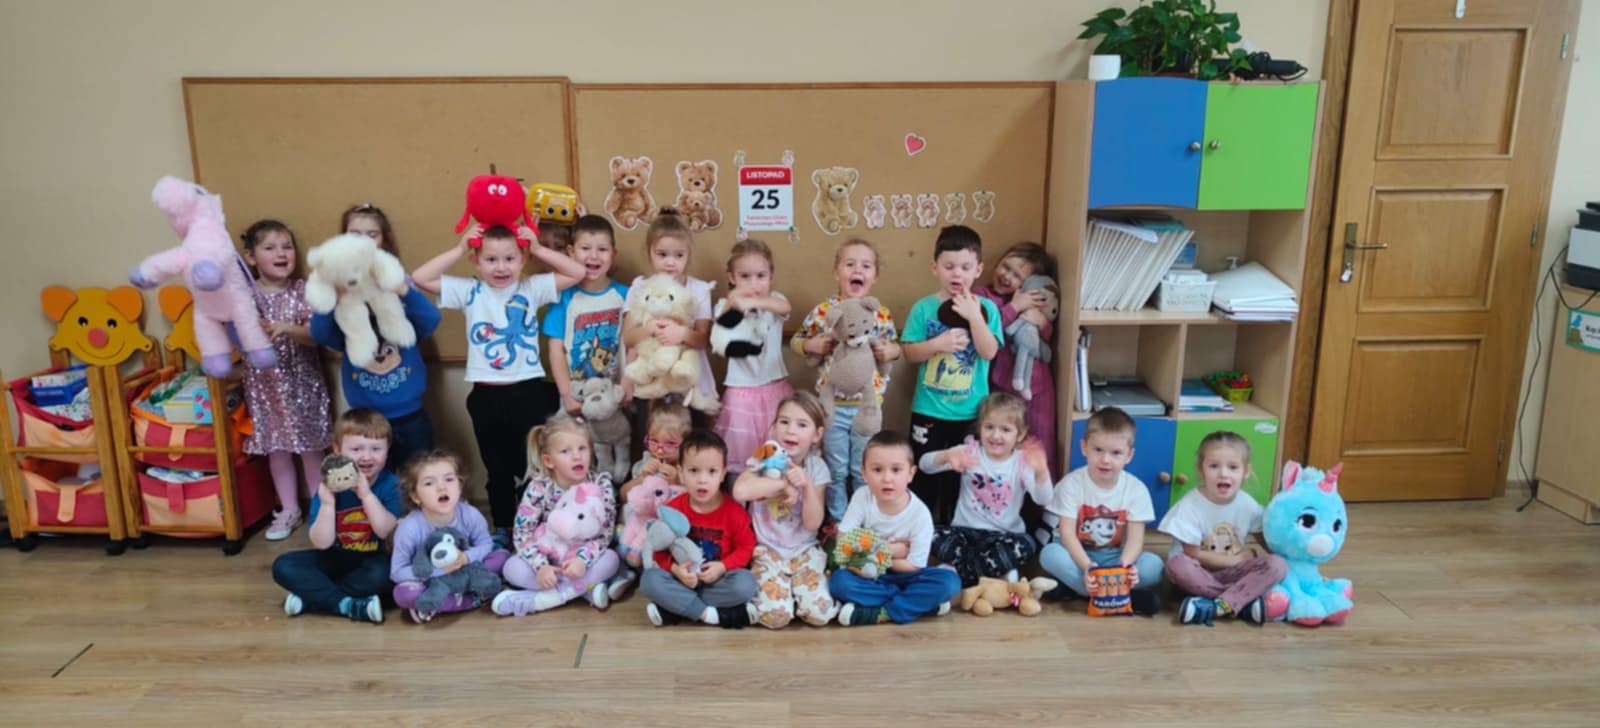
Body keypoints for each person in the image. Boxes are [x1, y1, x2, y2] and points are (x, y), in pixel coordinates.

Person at [411, 221, 584, 537]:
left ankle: (537, 526)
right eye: (491, 259)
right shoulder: (470, 291)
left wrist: (538, 248)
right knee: (497, 468)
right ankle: (503, 527)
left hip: (529, 392)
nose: (501, 267)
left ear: (522, 259)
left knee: (534, 465)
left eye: (509, 258)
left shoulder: (532, 288)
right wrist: (460, 248)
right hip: (486, 395)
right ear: (476, 261)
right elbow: (420, 277)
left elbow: (577, 272)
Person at [313, 204, 441, 473]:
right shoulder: (341, 297)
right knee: (374, 479)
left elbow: (430, 321)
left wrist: (403, 290)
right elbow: (322, 335)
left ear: (384, 240)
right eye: (355, 234)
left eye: (372, 234)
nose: (363, 241)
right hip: (365, 421)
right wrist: (333, 297)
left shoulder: (398, 283)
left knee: (419, 474)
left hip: (410, 415)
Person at [789, 238, 900, 522]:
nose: (857, 270)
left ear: (875, 276)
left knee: (864, 468)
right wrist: (811, 345)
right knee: (836, 468)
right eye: (849, 264)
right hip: (832, 408)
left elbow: (895, 346)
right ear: (836, 272)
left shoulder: (880, 313)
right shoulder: (824, 311)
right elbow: (797, 341)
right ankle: (838, 520)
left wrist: (890, 351)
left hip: (867, 407)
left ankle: (864, 519)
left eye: (866, 265)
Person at [900, 225, 1003, 524]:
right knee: (924, 475)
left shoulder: (987, 309)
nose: (957, 274)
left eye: (966, 267)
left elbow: (989, 352)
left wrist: (974, 317)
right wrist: (937, 344)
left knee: (964, 479)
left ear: (978, 269)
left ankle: (956, 531)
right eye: (949, 266)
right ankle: (921, 529)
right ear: (935, 267)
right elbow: (909, 353)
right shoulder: (923, 308)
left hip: (971, 413)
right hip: (929, 410)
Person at [238, 219, 332, 540]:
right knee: (277, 450)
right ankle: (289, 509)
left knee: (311, 450)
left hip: (304, 387)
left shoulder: (304, 290)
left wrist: (286, 328)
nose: (281, 253)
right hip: (264, 389)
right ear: (251, 258)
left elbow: (317, 335)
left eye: (287, 247)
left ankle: (321, 509)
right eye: (270, 248)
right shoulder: (245, 295)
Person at [270, 408, 402, 623]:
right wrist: (328, 504)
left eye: (376, 449)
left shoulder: (390, 484)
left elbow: (385, 531)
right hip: (336, 556)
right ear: (338, 451)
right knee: (283, 566)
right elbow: (321, 543)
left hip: (375, 557)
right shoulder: (327, 489)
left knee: (387, 574)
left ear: (387, 451)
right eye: (356, 449)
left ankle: (315, 599)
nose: (366, 456)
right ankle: (346, 604)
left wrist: (366, 496)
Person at [829, 431, 963, 626]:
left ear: (911, 474)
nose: (887, 478)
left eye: (896, 470)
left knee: (949, 582)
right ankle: (920, 605)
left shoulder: (920, 514)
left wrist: (877, 554)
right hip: (869, 575)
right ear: (864, 473)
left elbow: (914, 565)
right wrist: (894, 550)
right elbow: (843, 540)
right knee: (839, 582)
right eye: (877, 470)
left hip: (907, 575)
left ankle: (882, 612)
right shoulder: (862, 497)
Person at [1038, 407, 1163, 615]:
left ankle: (1079, 590)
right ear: (1084, 447)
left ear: (1129, 455)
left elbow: (1135, 540)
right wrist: (1088, 567)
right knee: (1049, 554)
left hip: (1113, 558)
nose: (1105, 460)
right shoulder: (1071, 484)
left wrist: (1125, 567)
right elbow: (1067, 534)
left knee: (1155, 566)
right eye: (1098, 450)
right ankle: (1117, 595)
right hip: (1076, 554)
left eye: (1116, 453)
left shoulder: (1136, 489)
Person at [492, 417, 619, 616]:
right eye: (565, 451)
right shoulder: (539, 487)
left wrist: (582, 561)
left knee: (612, 560)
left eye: (582, 448)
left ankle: (544, 599)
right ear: (549, 461)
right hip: (548, 556)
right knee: (511, 568)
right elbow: (523, 534)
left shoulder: (601, 485)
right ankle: (583, 590)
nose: (577, 456)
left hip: (582, 558)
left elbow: (604, 534)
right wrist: (541, 567)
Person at [922, 392, 1052, 587]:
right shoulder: (969, 452)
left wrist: (1041, 472)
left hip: (1004, 537)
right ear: (980, 428)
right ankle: (995, 575)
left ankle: (958, 572)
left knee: (1028, 545)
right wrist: (947, 455)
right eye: (989, 427)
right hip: (963, 534)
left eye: (1005, 429)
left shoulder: (1021, 462)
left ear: (1020, 434)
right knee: (926, 533)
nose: (995, 435)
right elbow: (924, 465)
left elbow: (1044, 499)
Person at [731, 392, 837, 628]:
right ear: (774, 427)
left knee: (820, 615)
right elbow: (740, 491)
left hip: (804, 550)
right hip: (768, 551)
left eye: (802, 425)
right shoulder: (767, 456)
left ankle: (798, 593)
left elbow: (813, 523)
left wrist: (806, 486)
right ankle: (781, 597)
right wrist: (782, 484)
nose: (791, 431)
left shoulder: (817, 467)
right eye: (784, 422)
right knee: (776, 617)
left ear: (817, 435)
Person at [1160, 431, 1287, 626]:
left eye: (1233, 467)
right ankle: (1238, 602)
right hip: (1198, 573)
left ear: (1246, 471)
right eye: (1214, 466)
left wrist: (1292, 565)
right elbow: (1193, 553)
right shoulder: (1190, 506)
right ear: (1201, 470)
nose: (1223, 473)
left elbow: (1266, 537)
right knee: (1177, 565)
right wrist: (1233, 560)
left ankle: (1214, 606)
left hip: (1233, 573)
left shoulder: (1247, 504)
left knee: (1278, 564)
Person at [638, 430, 759, 628]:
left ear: (723, 473)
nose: (702, 480)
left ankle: (677, 608)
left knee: (746, 584)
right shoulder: (672, 509)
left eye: (711, 471)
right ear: (681, 472)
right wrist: (676, 570)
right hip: (681, 579)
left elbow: (745, 549)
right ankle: (709, 614)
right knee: (650, 581)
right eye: (694, 471)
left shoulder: (734, 512)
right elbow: (659, 549)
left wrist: (722, 567)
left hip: (717, 581)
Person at [620, 208, 718, 437]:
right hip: (650, 381)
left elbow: (703, 339)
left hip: (688, 382)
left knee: (690, 442)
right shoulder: (640, 288)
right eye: (662, 254)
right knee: (654, 440)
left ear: (688, 254)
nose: (670, 262)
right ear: (649, 252)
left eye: (678, 255)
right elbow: (628, 338)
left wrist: (681, 333)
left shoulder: (699, 289)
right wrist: (649, 329)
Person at [388, 450, 510, 623]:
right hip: (433, 582)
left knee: (502, 557)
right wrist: (440, 571)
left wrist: (466, 558)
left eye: (449, 479)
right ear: (415, 496)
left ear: (459, 486)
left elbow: (485, 544)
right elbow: (397, 572)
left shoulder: (470, 514)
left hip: (467, 571)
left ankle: (439, 604)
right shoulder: (409, 528)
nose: (442, 487)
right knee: (403, 594)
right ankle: (472, 600)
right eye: (429, 483)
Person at [712, 238, 791, 478]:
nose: (753, 284)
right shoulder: (724, 304)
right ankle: (741, 492)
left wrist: (755, 301)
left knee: (776, 452)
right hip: (741, 393)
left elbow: (785, 308)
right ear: (732, 277)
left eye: (760, 276)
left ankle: (771, 494)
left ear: (771, 276)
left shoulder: (774, 300)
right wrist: (737, 301)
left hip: (774, 388)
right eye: (745, 276)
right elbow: (721, 325)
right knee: (741, 453)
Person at [544, 215, 629, 416]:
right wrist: (566, 394)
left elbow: (632, 343)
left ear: (613, 254)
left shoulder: (626, 295)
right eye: (585, 248)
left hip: (614, 395)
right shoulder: (562, 297)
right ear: (571, 252)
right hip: (576, 397)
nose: (594, 256)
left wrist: (627, 384)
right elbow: (556, 350)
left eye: (602, 249)